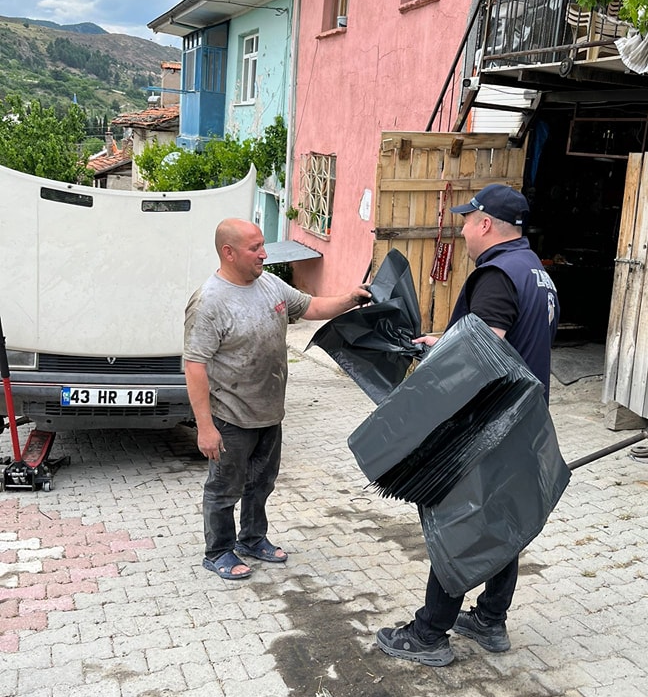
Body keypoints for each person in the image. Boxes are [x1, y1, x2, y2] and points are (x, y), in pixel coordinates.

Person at [375, 183, 559, 665]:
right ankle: (490, 619)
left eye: (466, 221)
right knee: (505, 517)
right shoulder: (534, 270)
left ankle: (430, 633)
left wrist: (441, 364)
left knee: (459, 519)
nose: (461, 230)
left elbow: (486, 353)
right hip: (525, 414)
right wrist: (450, 338)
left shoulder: (496, 274)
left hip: (490, 421)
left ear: (484, 224)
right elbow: (499, 337)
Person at [184, 218, 370, 581]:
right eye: (255, 248)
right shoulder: (209, 302)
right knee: (224, 488)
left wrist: (350, 298)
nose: (264, 254)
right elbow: (194, 367)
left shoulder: (269, 285)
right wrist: (205, 427)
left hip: (269, 411)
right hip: (230, 416)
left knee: (261, 482)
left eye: (262, 245)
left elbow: (311, 307)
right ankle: (219, 550)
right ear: (229, 252)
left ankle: (252, 539)